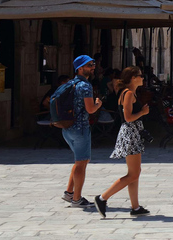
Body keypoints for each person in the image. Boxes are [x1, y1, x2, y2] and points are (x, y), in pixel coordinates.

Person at [94, 67, 150, 218]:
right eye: (140, 76)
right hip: (130, 133)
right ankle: (102, 198)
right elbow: (128, 117)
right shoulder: (129, 94)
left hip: (133, 133)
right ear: (132, 78)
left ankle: (135, 207)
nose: (143, 78)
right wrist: (143, 112)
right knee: (134, 174)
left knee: (134, 173)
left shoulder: (130, 93)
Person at [61, 55, 102, 208]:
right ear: (80, 68)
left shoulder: (71, 84)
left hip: (67, 128)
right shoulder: (85, 86)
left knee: (80, 161)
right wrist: (98, 103)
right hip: (80, 129)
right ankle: (77, 199)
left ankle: (69, 192)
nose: (93, 67)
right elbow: (90, 109)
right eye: (89, 65)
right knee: (81, 163)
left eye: (93, 64)